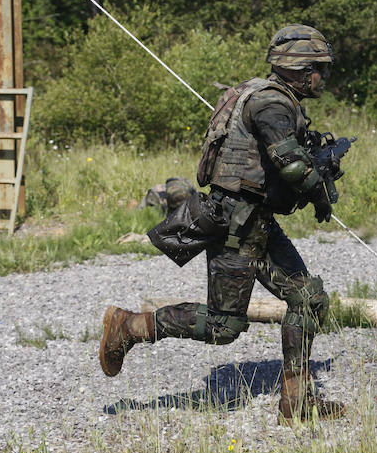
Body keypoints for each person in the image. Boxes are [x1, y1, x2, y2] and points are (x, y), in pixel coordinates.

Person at [98, 24, 345, 425]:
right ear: (300, 69)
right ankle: (129, 326)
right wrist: (321, 192)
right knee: (222, 326)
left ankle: (296, 402)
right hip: (238, 226)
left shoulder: (264, 93)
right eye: (320, 68)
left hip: (254, 221)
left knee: (308, 300)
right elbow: (290, 165)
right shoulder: (272, 104)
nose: (324, 76)